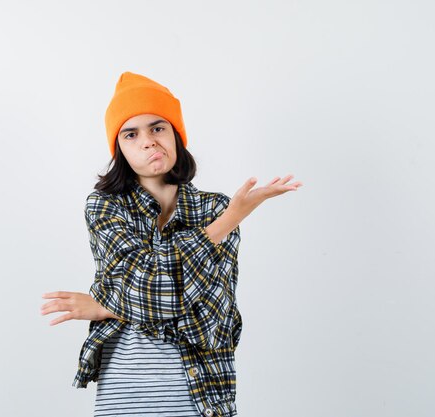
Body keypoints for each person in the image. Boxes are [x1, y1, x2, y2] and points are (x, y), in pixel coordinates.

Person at [41, 71, 303, 416]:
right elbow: (151, 288)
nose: (148, 141)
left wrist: (106, 306)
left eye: (158, 127)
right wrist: (225, 225)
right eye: (131, 134)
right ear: (119, 148)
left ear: (176, 135)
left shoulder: (216, 208)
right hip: (125, 393)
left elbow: (213, 316)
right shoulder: (105, 206)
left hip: (203, 395)